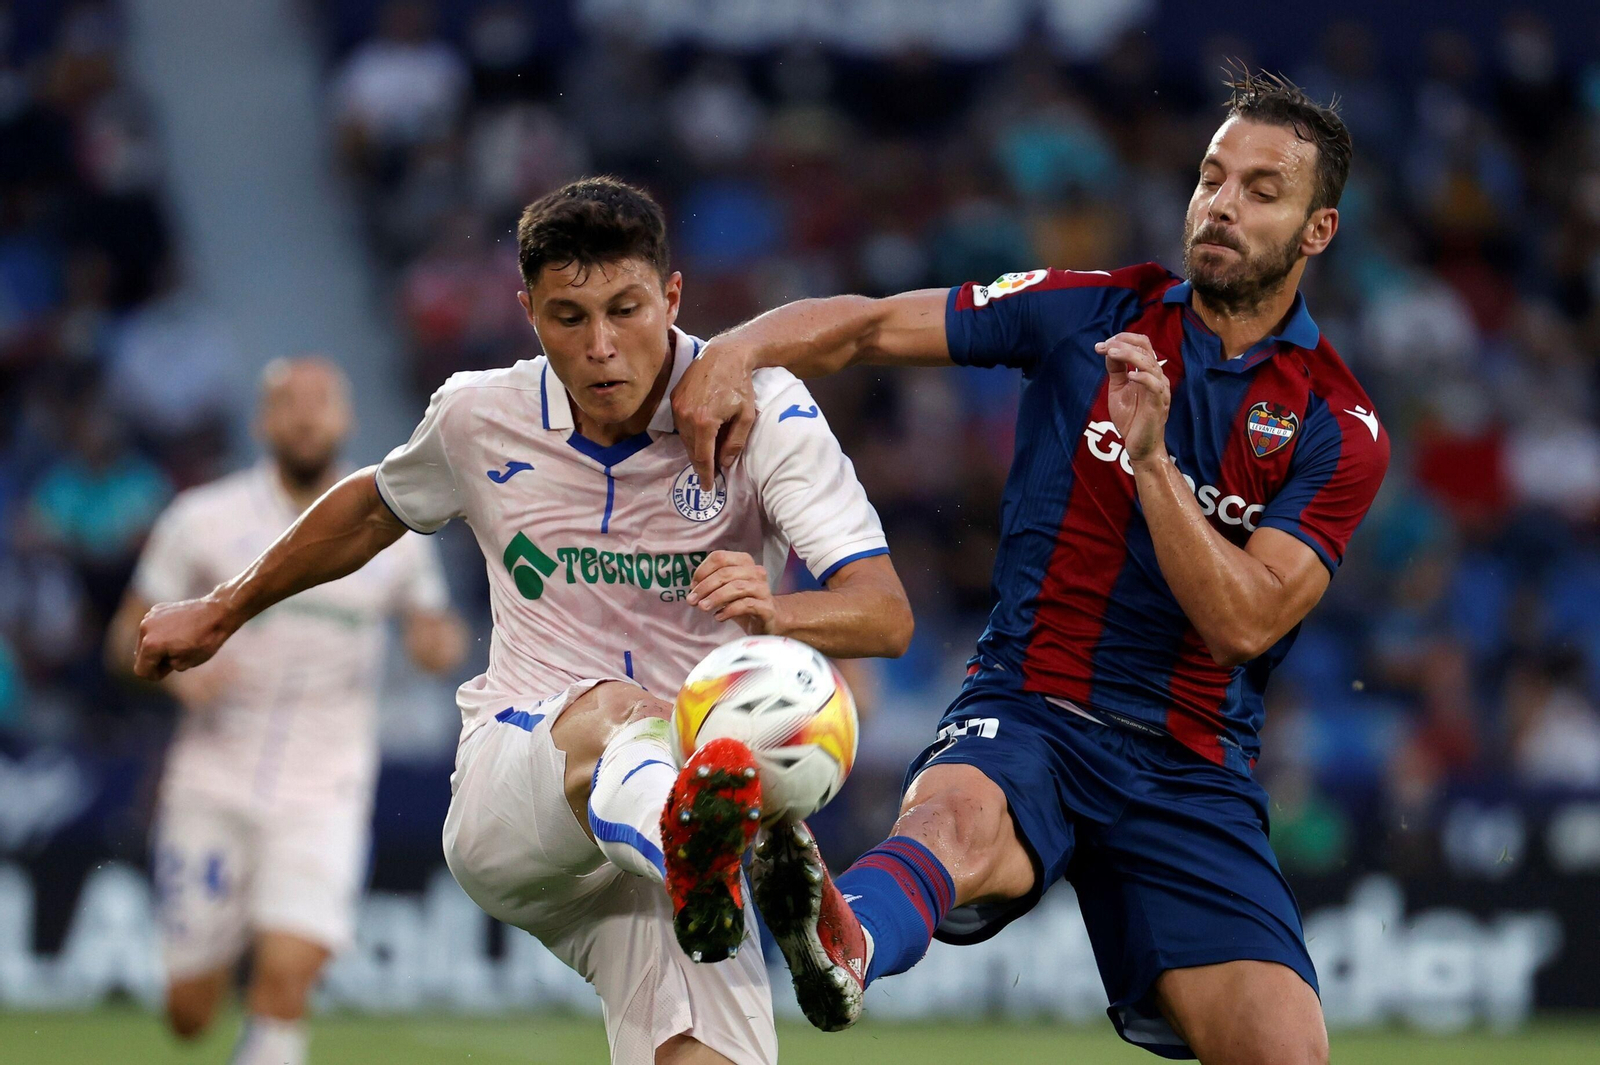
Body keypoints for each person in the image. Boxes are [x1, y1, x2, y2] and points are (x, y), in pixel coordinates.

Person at [671, 71, 1389, 1065]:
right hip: (1031, 708)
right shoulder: (1087, 313)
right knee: (958, 822)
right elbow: (873, 324)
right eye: (1210, 178)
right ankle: (844, 938)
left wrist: (1149, 461)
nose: (1220, 205)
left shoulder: (1336, 426)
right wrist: (735, 349)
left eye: (1261, 191)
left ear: (1317, 231)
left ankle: (848, 925)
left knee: (1287, 1057)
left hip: (1192, 770)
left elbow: (1246, 623)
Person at [131, 177, 912, 1065]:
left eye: (627, 309)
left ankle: (713, 853)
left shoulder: (762, 412)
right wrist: (224, 608)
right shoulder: (480, 415)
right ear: (527, 312)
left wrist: (779, 606)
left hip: (677, 846)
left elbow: (884, 614)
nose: (603, 348)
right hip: (524, 777)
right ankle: (731, 847)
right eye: (568, 318)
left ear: (674, 296)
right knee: (627, 714)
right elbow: (375, 506)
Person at [106, 357, 467, 1065]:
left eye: (320, 403)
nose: (305, 417)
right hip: (211, 780)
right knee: (189, 1011)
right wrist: (178, 680)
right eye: (288, 404)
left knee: (288, 974)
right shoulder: (200, 518)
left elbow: (436, 628)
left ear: (345, 418)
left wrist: (437, 640)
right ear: (261, 421)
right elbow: (125, 636)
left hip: (325, 787)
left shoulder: (386, 524)